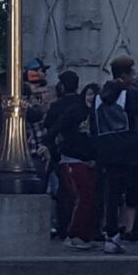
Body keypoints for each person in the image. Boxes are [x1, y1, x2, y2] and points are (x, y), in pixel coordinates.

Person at [94, 56, 138, 254]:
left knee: (112, 195)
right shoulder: (130, 94)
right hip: (131, 151)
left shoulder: (99, 96)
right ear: (124, 75)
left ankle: (111, 234)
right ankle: (137, 230)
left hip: (108, 152)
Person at [45, 69, 99, 250]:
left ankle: (80, 234)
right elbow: (55, 129)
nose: (91, 98)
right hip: (73, 159)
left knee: (83, 198)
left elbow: (51, 127)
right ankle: (73, 233)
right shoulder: (76, 110)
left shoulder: (61, 106)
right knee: (81, 198)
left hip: (82, 159)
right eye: (90, 94)